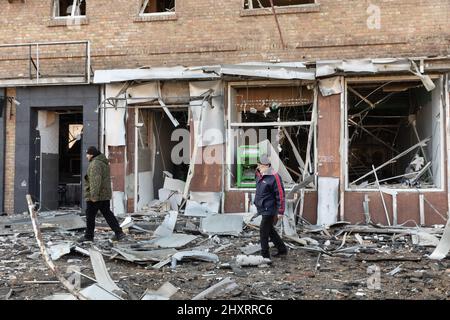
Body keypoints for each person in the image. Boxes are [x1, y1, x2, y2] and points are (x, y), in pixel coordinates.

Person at [78, 146, 126, 242]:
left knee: (90, 216)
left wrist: (94, 196)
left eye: (87, 154)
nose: (86, 156)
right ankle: (119, 233)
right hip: (104, 195)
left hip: (96, 196)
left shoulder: (95, 164)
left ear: (91, 154)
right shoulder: (102, 162)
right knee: (107, 214)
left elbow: (96, 181)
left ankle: (88, 236)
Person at [254, 153, 287, 260]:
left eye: (261, 166)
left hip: (270, 209)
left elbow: (281, 195)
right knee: (270, 230)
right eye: (258, 165)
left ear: (267, 166)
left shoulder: (274, 177)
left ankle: (265, 256)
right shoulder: (258, 174)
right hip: (262, 207)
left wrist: (281, 211)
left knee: (263, 231)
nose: (259, 168)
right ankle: (282, 249)